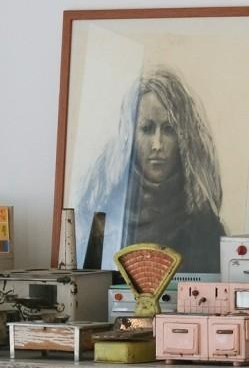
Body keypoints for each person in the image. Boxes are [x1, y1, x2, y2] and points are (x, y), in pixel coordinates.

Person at [74, 69, 226, 272]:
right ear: (130, 135)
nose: (157, 144)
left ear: (184, 137)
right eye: (146, 129)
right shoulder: (106, 215)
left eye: (169, 129)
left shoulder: (204, 225)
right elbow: (90, 288)